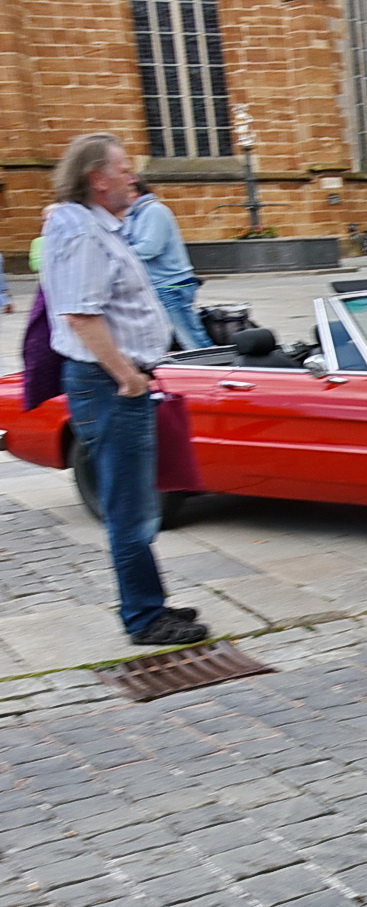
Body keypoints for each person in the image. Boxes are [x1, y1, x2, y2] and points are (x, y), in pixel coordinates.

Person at [40, 133, 207, 646]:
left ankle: (150, 604)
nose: (133, 176)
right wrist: (129, 378)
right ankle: (142, 617)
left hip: (112, 384)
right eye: (124, 168)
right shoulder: (84, 233)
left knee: (137, 503)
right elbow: (82, 315)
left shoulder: (96, 227)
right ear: (97, 179)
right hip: (110, 386)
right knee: (130, 508)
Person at [121, 178, 209, 349]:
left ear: (134, 192)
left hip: (171, 286)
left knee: (191, 339)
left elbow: (150, 248)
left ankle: (213, 371)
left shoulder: (154, 211)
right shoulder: (135, 214)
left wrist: (118, 253)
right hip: (158, 285)